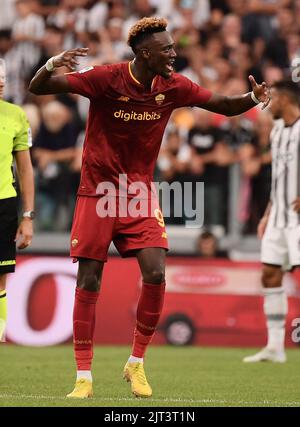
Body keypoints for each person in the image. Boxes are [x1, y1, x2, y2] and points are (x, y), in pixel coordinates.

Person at [29, 17, 270, 399]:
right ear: (145, 52)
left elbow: (223, 105)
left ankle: (136, 363)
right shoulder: (106, 78)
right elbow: (38, 87)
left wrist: (253, 98)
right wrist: (50, 64)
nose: (175, 54)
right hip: (97, 192)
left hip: (138, 194)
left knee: (156, 273)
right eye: (167, 49)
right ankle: (84, 376)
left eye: (174, 47)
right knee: (89, 280)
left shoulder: (173, 87)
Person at [243, 80, 300, 363]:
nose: (268, 104)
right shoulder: (277, 132)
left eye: (273, 98)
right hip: (278, 216)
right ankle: (275, 346)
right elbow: (278, 178)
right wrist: (266, 214)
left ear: (286, 100)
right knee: (270, 273)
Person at [0, 58, 34, 342]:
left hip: (4, 204)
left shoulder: (15, 115)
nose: (1, 82)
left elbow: (25, 168)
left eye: (2, 76)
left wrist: (28, 216)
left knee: (0, 276)